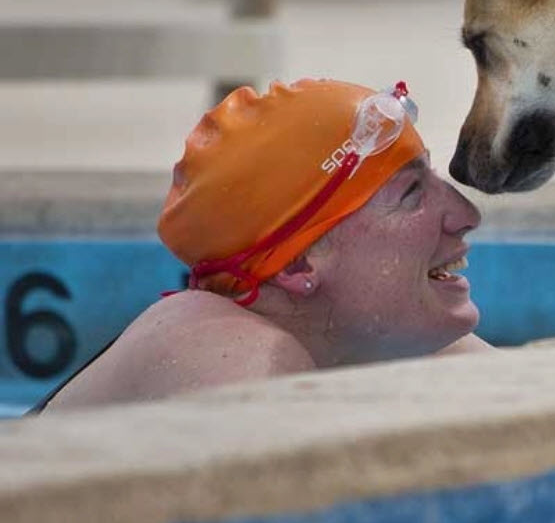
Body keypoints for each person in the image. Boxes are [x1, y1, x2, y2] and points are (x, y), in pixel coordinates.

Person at [37, 78, 490, 413]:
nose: (466, 215)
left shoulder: (410, 342)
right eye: (412, 194)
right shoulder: (234, 360)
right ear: (297, 265)